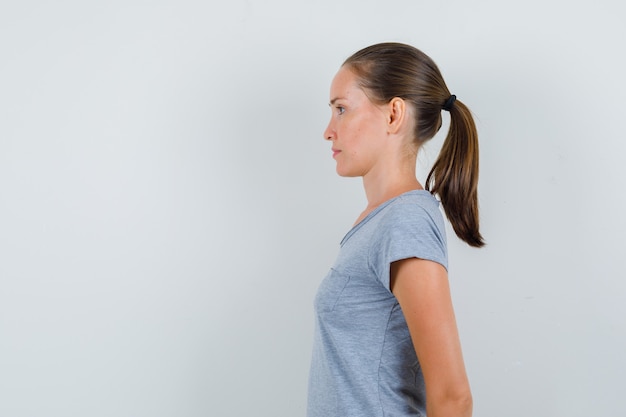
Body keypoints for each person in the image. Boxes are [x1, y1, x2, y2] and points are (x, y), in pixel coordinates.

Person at [307, 42, 484, 417]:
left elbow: (453, 396)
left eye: (341, 109)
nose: (328, 131)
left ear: (393, 115)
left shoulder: (405, 222)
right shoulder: (381, 220)